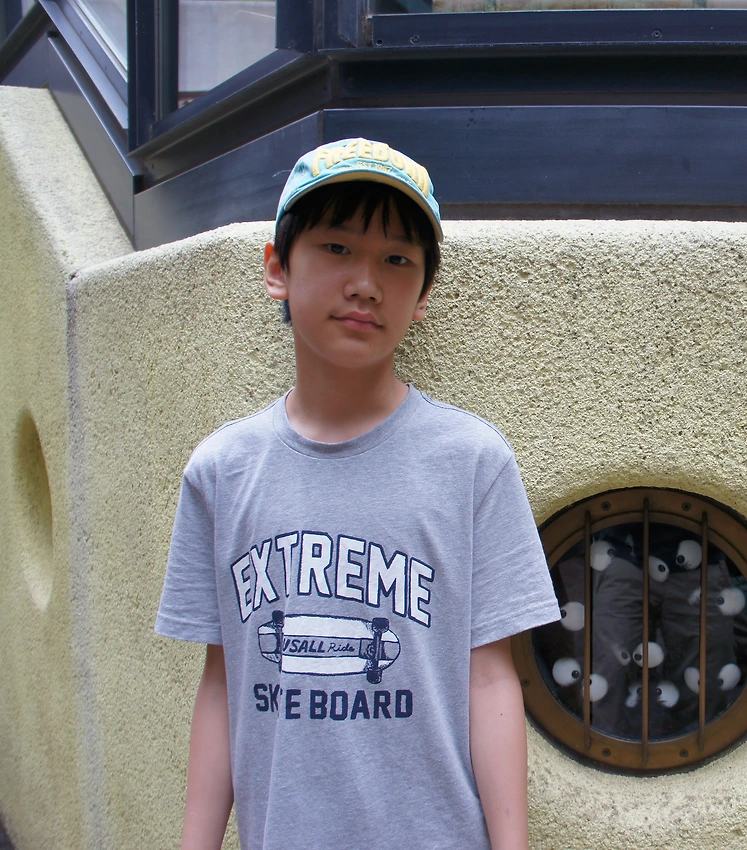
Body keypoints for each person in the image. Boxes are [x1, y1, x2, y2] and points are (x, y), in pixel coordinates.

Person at [154, 138, 560, 850]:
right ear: (278, 269)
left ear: (424, 295)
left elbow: (491, 680)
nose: (366, 283)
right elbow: (223, 682)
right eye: (337, 248)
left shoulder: (472, 463)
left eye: (397, 260)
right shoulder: (222, 471)